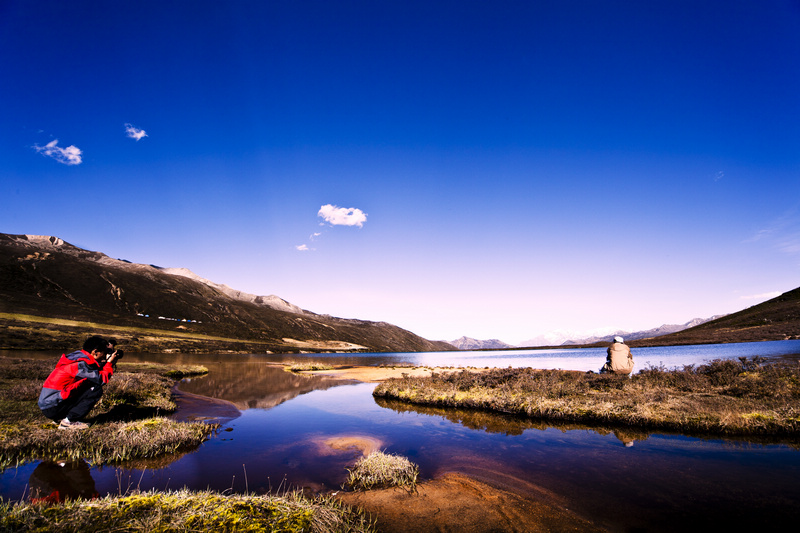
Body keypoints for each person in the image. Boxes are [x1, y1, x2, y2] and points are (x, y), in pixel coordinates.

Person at [38, 336, 120, 430]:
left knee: (88, 385)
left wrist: (105, 360)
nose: (105, 355)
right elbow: (101, 379)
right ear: (95, 352)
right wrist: (109, 363)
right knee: (95, 388)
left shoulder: (79, 358)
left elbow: (93, 372)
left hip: (50, 404)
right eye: (104, 352)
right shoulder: (80, 365)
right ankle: (68, 422)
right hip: (52, 406)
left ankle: (62, 417)